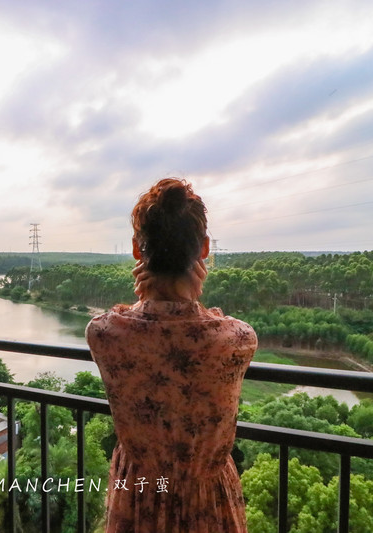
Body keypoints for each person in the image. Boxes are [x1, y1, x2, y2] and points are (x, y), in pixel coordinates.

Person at [85, 178, 258, 532]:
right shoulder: (237, 339)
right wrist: (189, 298)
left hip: (138, 497)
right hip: (209, 502)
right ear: (205, 248)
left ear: (137, 249)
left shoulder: (104, 334)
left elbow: (145, 328)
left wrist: (149, 298)